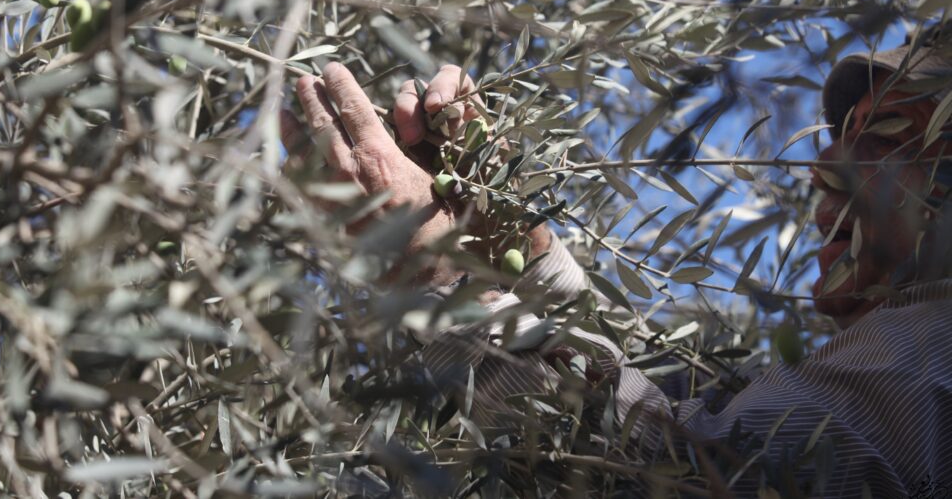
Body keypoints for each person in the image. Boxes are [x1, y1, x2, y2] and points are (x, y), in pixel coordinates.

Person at [279, 39, 952, 497]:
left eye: (886, 134)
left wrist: (440, 282)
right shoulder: (878, 357)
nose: (822, 168)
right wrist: (511, 248)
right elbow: (669, 407)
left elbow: (689, 477)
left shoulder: (929, 350)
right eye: (840, 136)